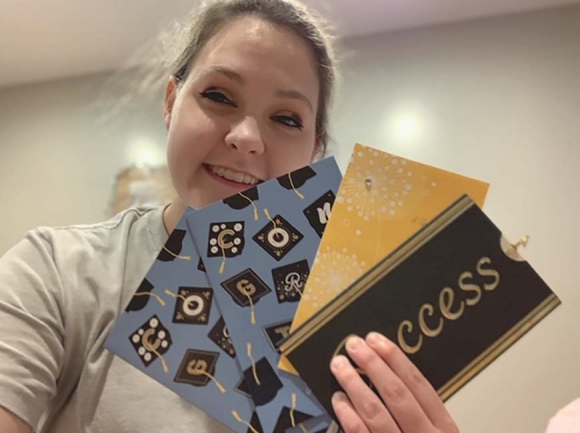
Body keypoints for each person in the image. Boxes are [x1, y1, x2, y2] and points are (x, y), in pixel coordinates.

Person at [0, 0, 459, 432]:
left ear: (314, 152)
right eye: (219, 95)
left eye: (287, 118)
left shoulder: (359, 315)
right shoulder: (57, 271)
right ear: (170, 102)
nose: (246, 137)